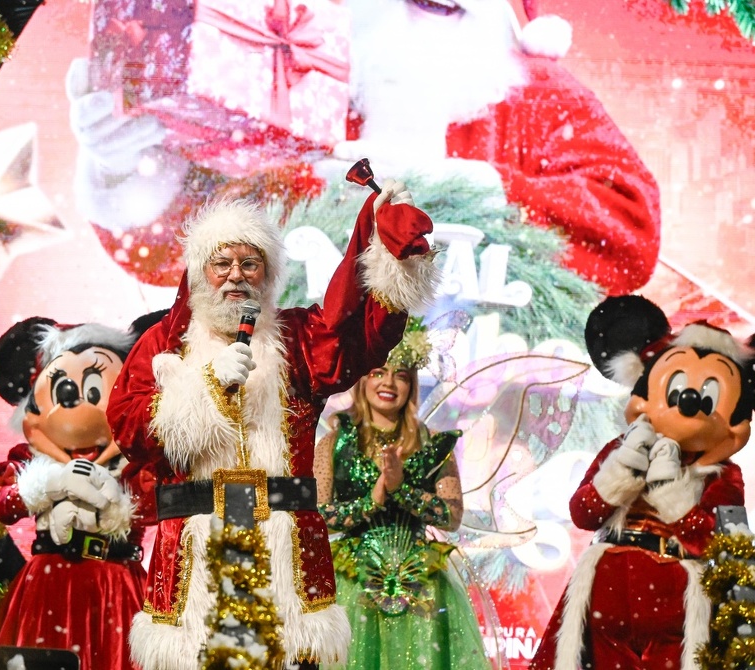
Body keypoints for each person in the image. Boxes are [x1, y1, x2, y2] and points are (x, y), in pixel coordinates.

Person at [70, 0, 659, 296]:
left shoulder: (533, 92)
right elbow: (172, 252)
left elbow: (629, 228)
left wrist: (460, 187)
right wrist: (129, 170)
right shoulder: (295, 72)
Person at [106, 183, 441, 669]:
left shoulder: (298, 338)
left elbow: (357, 336)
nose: (235, 276)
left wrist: (389, 251)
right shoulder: (165, 342)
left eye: (250, 263)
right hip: (197, 552)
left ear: (267, 274)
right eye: (222, 263)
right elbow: (129, 429)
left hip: (286, 550)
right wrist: (203, 389)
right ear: (200, 273)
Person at [530, 295, 755, 669]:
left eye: (709, 395)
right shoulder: (620, 450)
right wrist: (617, 477)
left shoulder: (724, 475)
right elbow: (583, 513)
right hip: (604, 596)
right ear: (642, 397)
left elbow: (724, 548)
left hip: (678, 607)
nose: (688, 400)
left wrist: (675, 499)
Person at [313, 324, 493, 669]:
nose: (388, 383)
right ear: (362, 380)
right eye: (378, 372)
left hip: (421, 583)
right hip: (354, 580)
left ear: (411, 386)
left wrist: (402, 489)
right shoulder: (335, 442)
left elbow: (451, 517)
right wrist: (374, 499)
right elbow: (320, 515)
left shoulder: (432, 443)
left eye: (400, 375)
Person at [0, 316, 150, 668]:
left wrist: (114, 503)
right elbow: (4, 506)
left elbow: (151, 506)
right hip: (49, 586)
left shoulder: (136, 457)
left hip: (116, 584)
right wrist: (47, 485)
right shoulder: (30, 460)